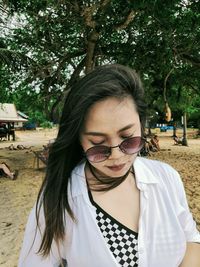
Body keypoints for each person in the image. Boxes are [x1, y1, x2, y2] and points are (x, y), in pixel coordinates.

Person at [19, 64, 200, 267]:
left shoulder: (167, 178)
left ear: (141, 124)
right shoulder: (58, 199)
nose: (116, 155)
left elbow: (191, 239)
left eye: (128, 138)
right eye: (97, 144)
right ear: (78, 139)